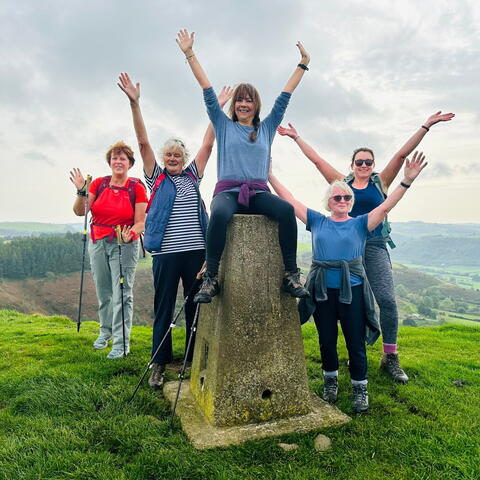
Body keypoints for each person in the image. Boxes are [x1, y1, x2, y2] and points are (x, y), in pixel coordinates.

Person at [276, 111, 454, 382]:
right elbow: (316, 161)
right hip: (345, 249)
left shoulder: (379, 182)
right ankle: (354, 352)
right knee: (353, 302)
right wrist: (296, 137)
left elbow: (400, 155)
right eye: (359, 162)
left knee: (387, 301)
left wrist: (426, 126)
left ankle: (390, 356)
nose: (364, 165)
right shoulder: (342, 184)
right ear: (352, 164)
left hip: (373, 245)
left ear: (373, 164)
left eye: (368, 162)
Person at [269, 152, 427, 412]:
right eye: (337, 197)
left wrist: (406, 181)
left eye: (346, 197)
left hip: (352, 291)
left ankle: (359, 387)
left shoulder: (360, 224)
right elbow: (290, 200)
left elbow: (386, 206)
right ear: (329, 202)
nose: (342, 200)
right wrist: (270, 175)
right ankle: (330, 381)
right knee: (326, 339)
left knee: (355, 341)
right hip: (322, 291)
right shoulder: (317, 221)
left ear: (351, 202)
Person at [175, 29, 311, 303]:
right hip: (228, 192)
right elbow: (207, 90)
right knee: (220, 213)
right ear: (234, 105)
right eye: (240, 100)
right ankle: (211, 278)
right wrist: (190, 54)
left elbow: (286, 95)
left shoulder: (268, 127)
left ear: (255, 105)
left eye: (249, 100)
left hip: (258, 193)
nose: (243, 104)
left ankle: (291, 274)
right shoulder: (223, 126)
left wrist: (303, 64)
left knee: (285, 211)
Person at [118, 72, 233, 388]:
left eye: (177, 155)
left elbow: (208, 143)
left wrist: (217, 108)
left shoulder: (193, 176)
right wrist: (134, 103)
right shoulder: (155, 178)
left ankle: (192, 361)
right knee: (163, 309)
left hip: (197, 253)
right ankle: (159, 364)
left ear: (183, 159)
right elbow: (142, 143)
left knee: (197, 307)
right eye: (168, 154)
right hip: (167, 255)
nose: (171, 158)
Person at [70, 142, 147, 359]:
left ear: (130, 163)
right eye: (115, 158)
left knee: (122, 294)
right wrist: (81, 190)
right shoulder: (98, 185)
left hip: (124, 244)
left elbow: (141, 223)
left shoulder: (137, 188)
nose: (118, 161)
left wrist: (130, 233)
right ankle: (105, 333)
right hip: (98, 242)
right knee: (104, 292)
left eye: (123, 158)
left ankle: (122, 344)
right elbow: (80, 211)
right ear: (110, 162)